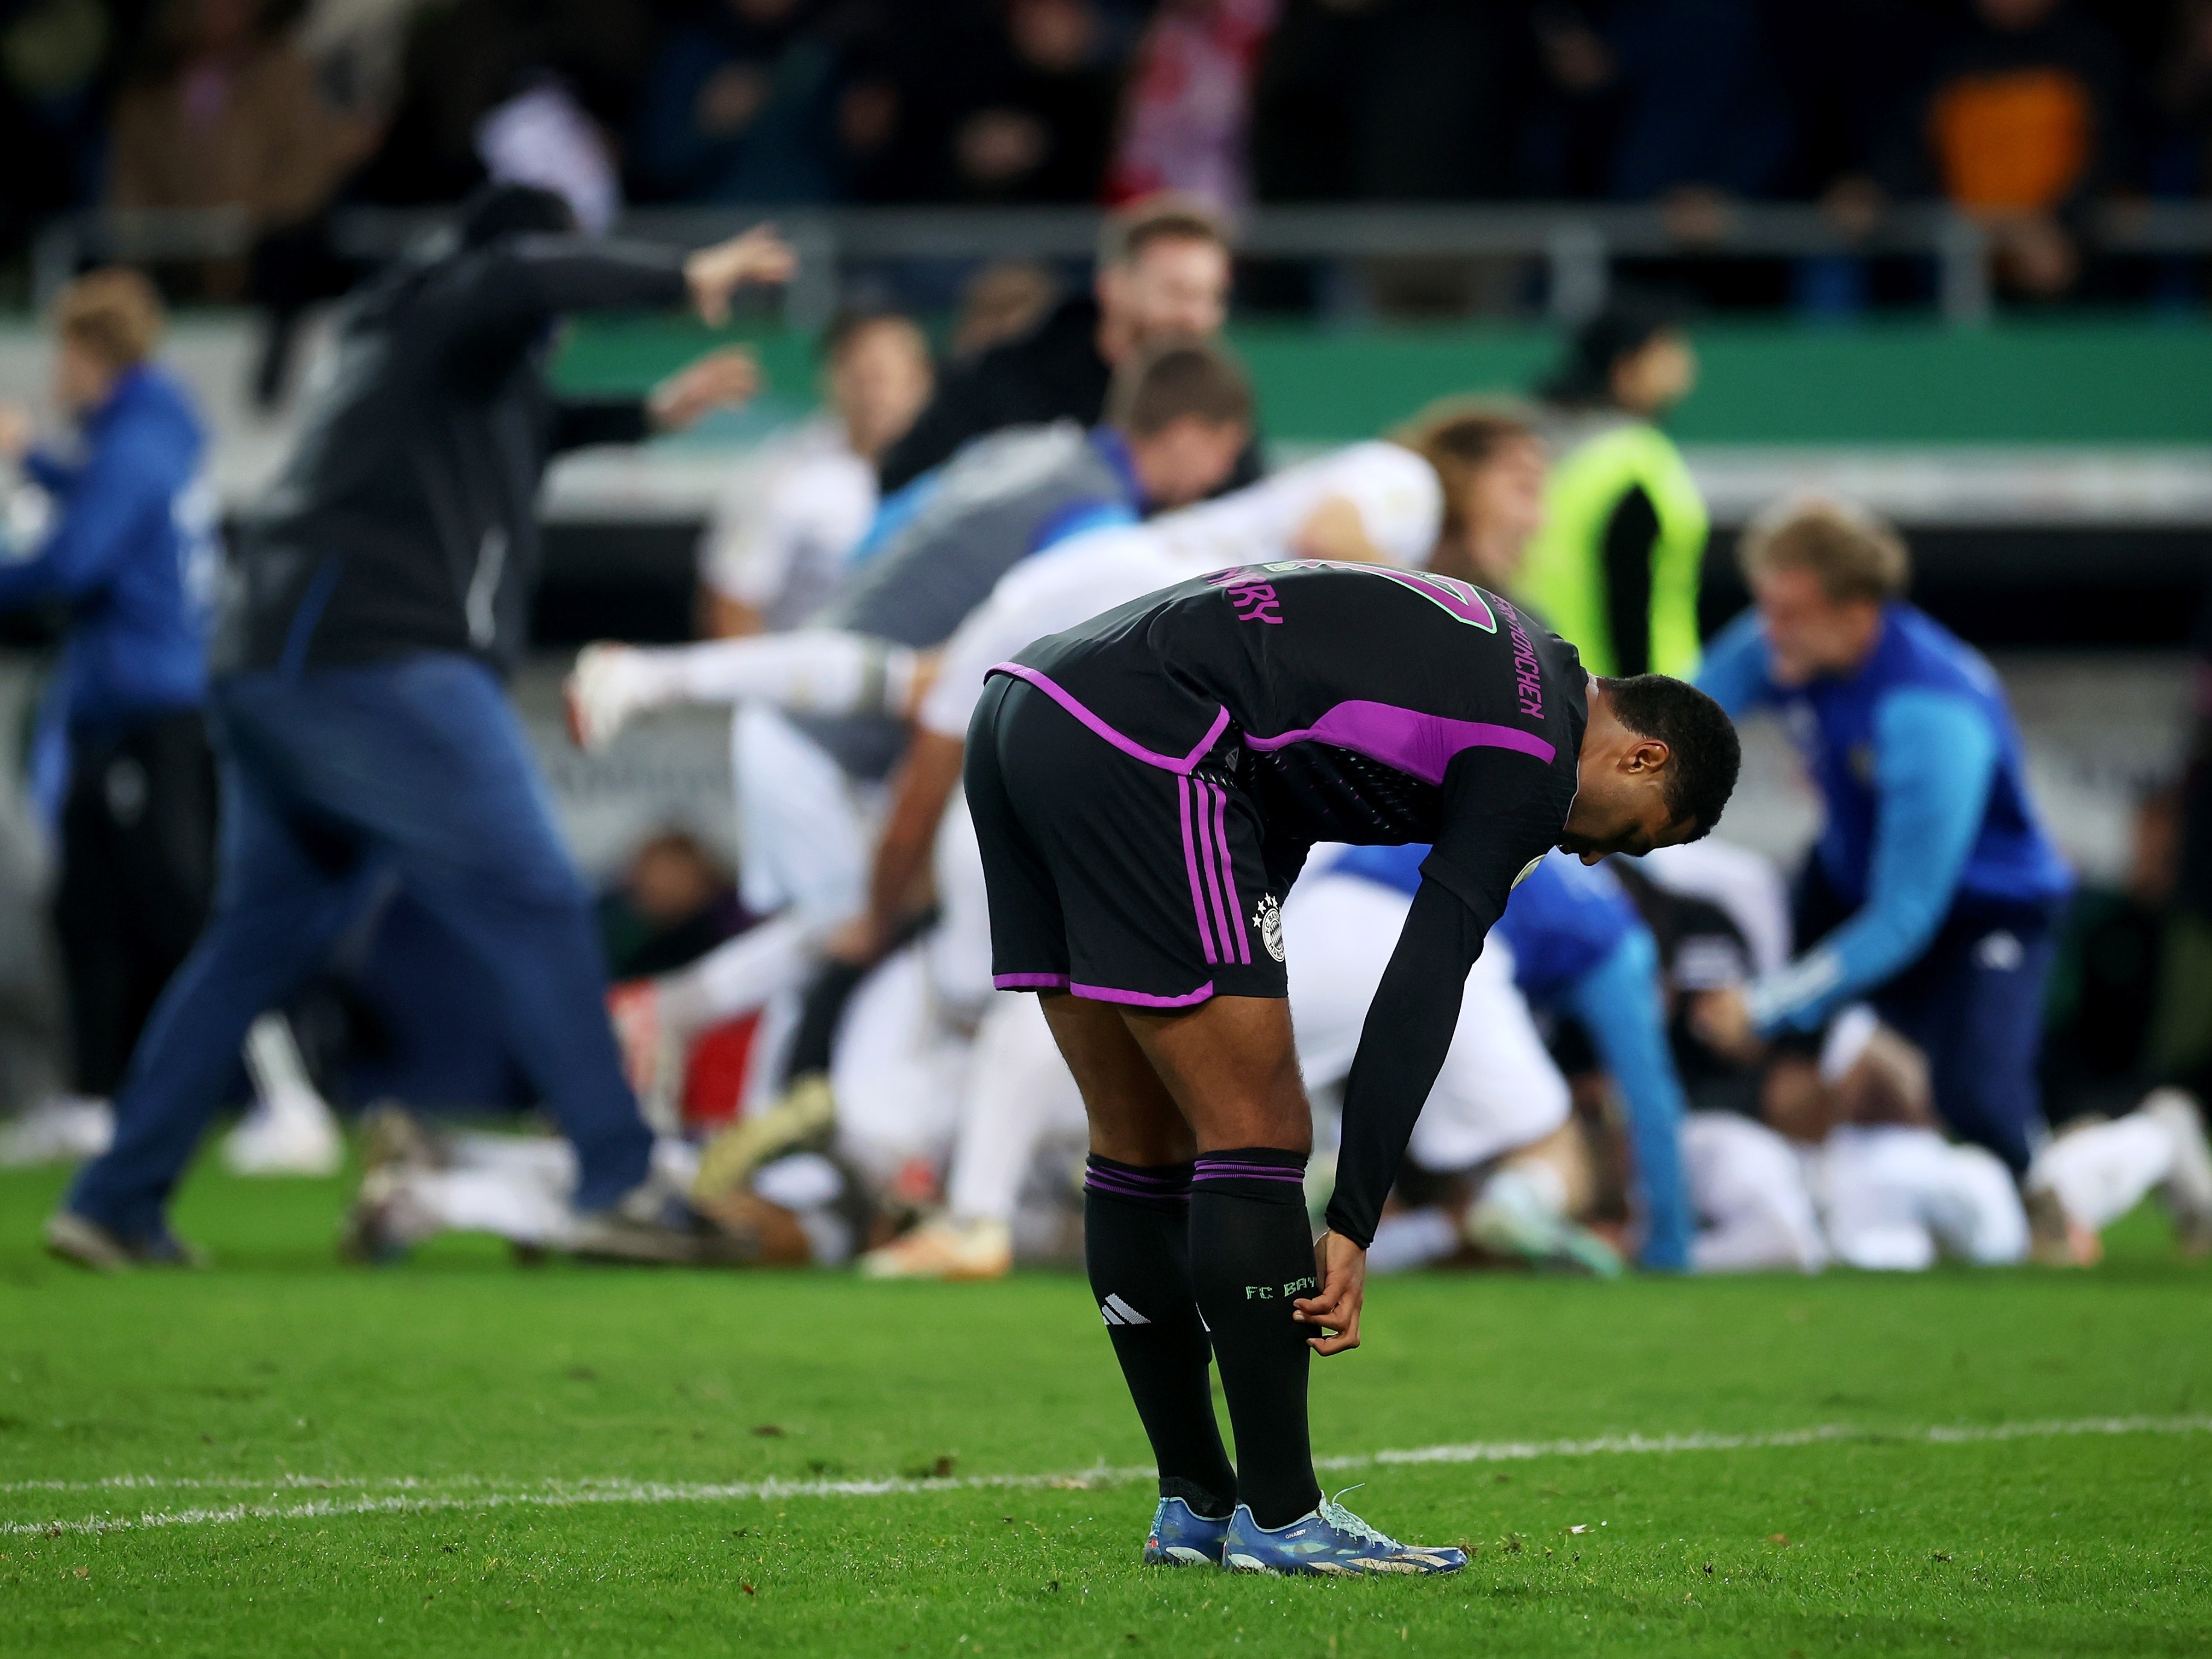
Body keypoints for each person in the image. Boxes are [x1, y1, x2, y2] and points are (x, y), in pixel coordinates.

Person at [43, 186, 789, 1270]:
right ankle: (619, 1179)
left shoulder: (453, 367)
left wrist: (645, 415)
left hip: (286, 668)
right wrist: (682, 276)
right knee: (535, 893)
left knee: (256, 942)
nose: (559, 311)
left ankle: (115, 1197)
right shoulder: (442, 300)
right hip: (369, 663)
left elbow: (528, 425)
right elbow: (523, 281)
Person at [967, 559, 1739, 1572]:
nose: (1593, 859)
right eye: (1629, 838)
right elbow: (1424, 982)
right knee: (1261, 1133)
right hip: (1147, 742)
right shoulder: (1536, 757)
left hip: (1026, 709)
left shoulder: (1519, 654)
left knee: (1140, 1139)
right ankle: (1282, 1516)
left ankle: (1195, 1504)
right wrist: (1354, 1216)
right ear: (1639, 757)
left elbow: (1285, 765)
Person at [569, 339, 1255, 1095]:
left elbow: (885, 527)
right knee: (854, 932)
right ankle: (730, 1108)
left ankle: (686, 1033)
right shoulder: (1097, 527)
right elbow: (973, 668)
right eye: (1223, 451)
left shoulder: (1029, 449)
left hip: (819, 700)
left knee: (865, 922)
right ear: (1190, 432)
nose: (1220, 477)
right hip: (825, 731)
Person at [1692, 498, 2075, 1186]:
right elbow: (1679, 719)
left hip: (1979, 913)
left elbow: (1907, 914)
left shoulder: (1930, 713)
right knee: (1776, 1070)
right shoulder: (1779, 642)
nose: (1767, 633)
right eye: (1766, 607)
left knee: (1981, 1107)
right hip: (1850, 881)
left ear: (1856, 610)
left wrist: (1767, 1003)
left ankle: (2134, 1153)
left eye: (1789, 614)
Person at [0, 269, 217, 1136]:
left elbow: (73, 564)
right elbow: (101, 509)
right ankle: (90, 1099)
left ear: (92, 354)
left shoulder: (136, 445)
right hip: (121, 705)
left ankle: (284, 1090)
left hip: (150, 707)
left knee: (174, 906)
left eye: (65, 352)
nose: (58, 373)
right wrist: (32, 461)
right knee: (86, 906)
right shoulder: (142, 436)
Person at [875, 194, 1251, 493]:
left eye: (1211, 298)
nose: (1195, 318)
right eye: (1176, 293)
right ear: (1114, 288)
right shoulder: (1002, 378)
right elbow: (905, 490)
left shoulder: (1216, 403)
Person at [698, 308, 934, 638]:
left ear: (922, 382)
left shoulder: (959, 473)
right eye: (862, 376)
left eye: (888, 377)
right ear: (833, 378)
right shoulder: (783, 476)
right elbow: (733, 603)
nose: (875, 394)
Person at [1518, 297, 1708, 679]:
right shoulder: (1636, 460)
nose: (1687, 363)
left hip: (1554, 690)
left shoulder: (1541, 452)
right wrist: (1645, 710)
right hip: (1635, 702)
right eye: (1666, 349)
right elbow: (1630, 598)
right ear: (1626, 369)